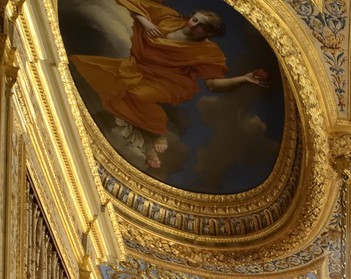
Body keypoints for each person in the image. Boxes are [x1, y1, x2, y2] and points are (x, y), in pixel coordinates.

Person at [68, 0, 270, 170]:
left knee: (137, 94)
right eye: (194, 19)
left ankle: (158, 131)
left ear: (209, 32)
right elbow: (134, 4)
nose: (193, 25)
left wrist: (244, 79)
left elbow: (213, 84)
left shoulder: (209, 52)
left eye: (200, 25)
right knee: (83, 66)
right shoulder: (170, 18)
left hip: (168, 83)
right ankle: (148, 138)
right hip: (136, 69)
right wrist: (145, 22)